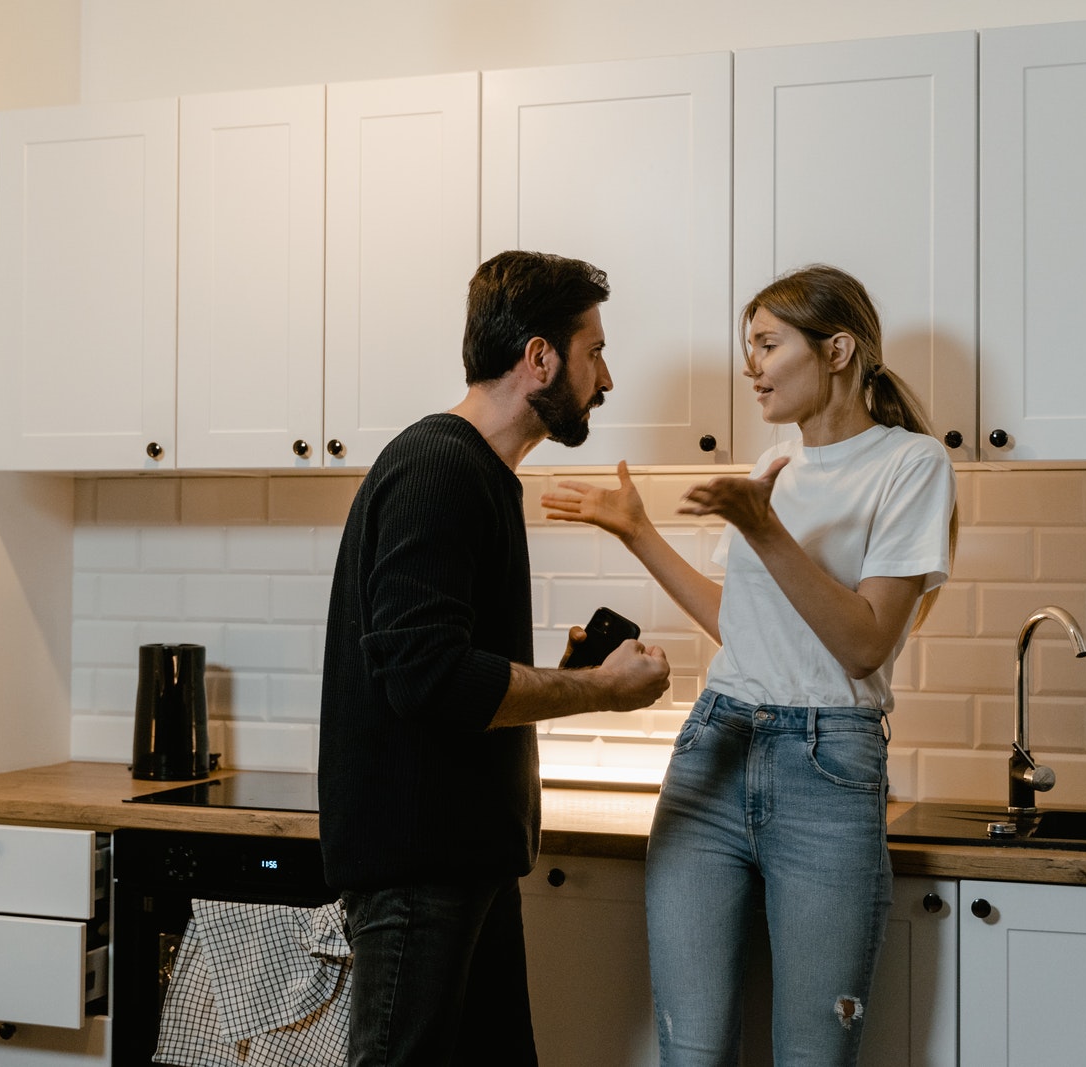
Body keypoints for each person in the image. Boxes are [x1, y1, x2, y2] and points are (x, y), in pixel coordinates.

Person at [542, 264, 956, 1066]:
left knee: (812, 1054)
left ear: (837, 350)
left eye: (768, 344)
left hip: (827, 766)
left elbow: (866, 641)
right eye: (749, 347)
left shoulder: (911, 466)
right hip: (716, 747)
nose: (751, 365)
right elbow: (744, 627)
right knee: (690, 1052)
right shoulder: (775, 465)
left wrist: (763, 528)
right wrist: (636, 530)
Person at [319, 249, 672, 1067]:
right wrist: (598, 688)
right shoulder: (441, 467)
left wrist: (568, 664)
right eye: (595, 352)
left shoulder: (474, 473)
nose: (607, 378)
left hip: (458, 865)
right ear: (539, 357)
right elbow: (429, 679)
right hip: (420, 873)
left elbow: (444, 668)